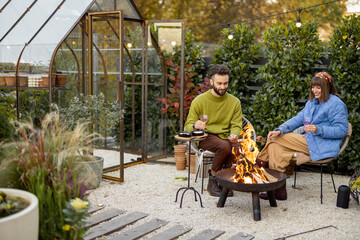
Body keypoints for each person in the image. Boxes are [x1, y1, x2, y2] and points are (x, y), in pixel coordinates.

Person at [256, 72, 348, 200]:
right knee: (275, 148)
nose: (314, 90)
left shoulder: (336, 104)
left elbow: (341, 130)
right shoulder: (312, 102)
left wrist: (319, 129)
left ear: (326, 87)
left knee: (276, 139)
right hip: (308, 140)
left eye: (318, 87)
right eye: (313, 87)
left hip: (322, 144)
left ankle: (259, 164)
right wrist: (280, 129)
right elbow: (297, 119)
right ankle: (279, 191)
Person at [185, 64, 243, 197]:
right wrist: (195, 125)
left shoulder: (234, 102)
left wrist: (234, 133)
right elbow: (188, 125)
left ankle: (225, 180)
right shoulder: (199, 101)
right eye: (219, 83)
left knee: (237, 147)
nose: (223, 87)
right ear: (211, 82)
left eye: (225, 83)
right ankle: (213, 179)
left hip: (226, 137)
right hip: (206, 137)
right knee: (224, 146)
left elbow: (236, 124)